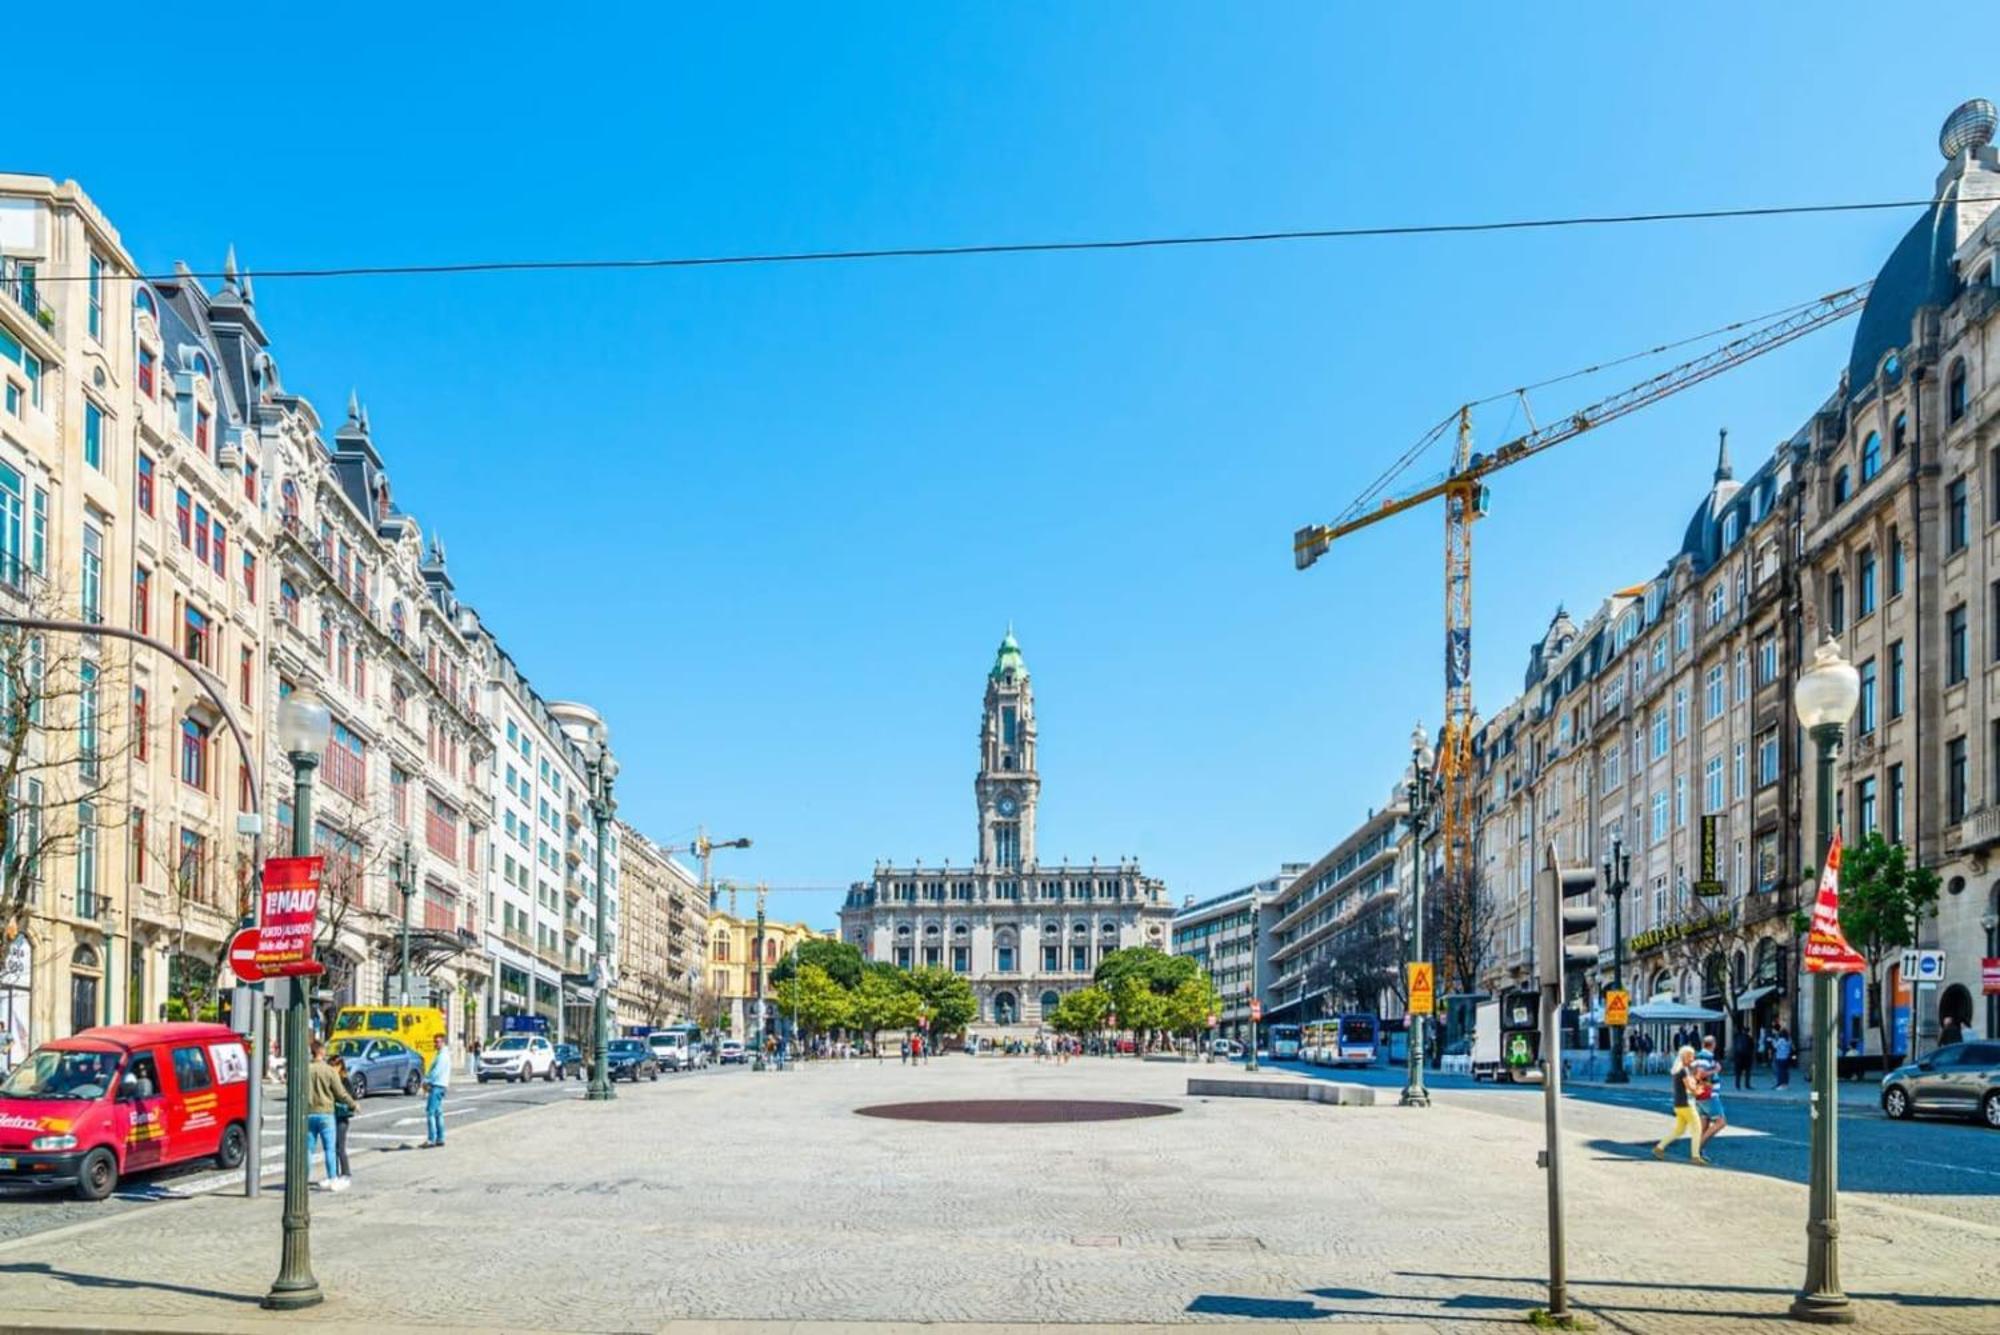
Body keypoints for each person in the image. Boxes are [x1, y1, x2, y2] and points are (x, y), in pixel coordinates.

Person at [305, 1038, 355, 1190]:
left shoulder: (305, 1069)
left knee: (308, 1149)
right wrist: (353, 1104)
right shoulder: (329, 1071)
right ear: (321, 1052)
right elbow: (341, 1093)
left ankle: (302, 1179)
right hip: (326, 1113)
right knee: (330, 1149)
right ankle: (333, 1178)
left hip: (309, 1113)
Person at [1652, 1045, 1707, 1164]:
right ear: (1684, 1056)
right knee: (1697, 1129)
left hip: (1678, 1105)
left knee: (1679, 1130)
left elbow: (1688, 1085)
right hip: (1687, 1104)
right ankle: (1695, 1156)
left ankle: (1659, 1148)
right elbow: (1691, 1089)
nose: (1692, 1059)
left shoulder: (1678, 1070)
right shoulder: (1684, 1070)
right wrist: (1700, 1090)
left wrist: (1696, 1081)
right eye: (1690, 1056)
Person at [328, 1053, 358, 1182]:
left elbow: (351, 1097)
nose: (332, 1068)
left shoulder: (345, 1081)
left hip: (341, 1116)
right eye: (330, 1065)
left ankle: (345, 1172)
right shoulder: (329, 1079)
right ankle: (334, 1173)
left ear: (340, 1066)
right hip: (330, 1115)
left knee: (339, 1146)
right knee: (331, 1146)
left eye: (334, 1065)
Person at [421, 1032, 451, 1148]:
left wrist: (426, 1081)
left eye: (437, 1042)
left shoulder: (443, 1056)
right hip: (440, 1086)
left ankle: (432, 1139)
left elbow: (436, 1072)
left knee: (430, 1112)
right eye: (435, 1041)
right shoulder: (441, 1054)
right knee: (438, 1113)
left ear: (443, 1042)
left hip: (437, 1086)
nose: (435, 1044)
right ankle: (440, 1138)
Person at [1731, 1026, 1755, 1091]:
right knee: (1747, 1072)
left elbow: (1734, 1047)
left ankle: (1737, 1085)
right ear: (1748, 1031)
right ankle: (1747, 1085)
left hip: (1738, 1058)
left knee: (1738, 1073)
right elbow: (1752, 1048)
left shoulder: (1737, 1038)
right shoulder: (1750, 1038)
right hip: (1747, 1058)